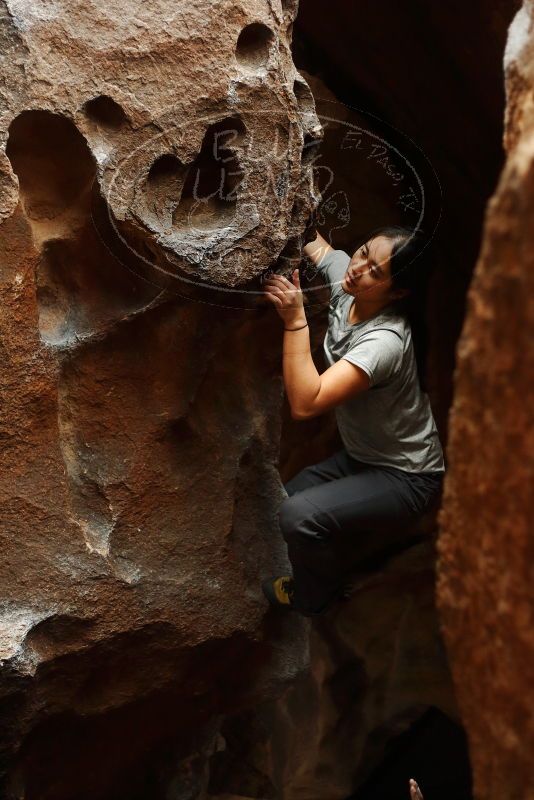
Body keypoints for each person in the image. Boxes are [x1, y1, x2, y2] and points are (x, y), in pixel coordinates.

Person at [261, 223, 446, 616]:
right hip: (366, 456)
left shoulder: (385, 343)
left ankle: (316, 597)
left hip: (408, 476)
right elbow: (325, 252)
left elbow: (306, 403)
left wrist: (295, 321)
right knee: (285, 498)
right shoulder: (351, 284)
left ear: (398, 292)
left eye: (376, 271)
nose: (359, 268)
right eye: (363, 251)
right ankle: (336, 560)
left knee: (297, 516)